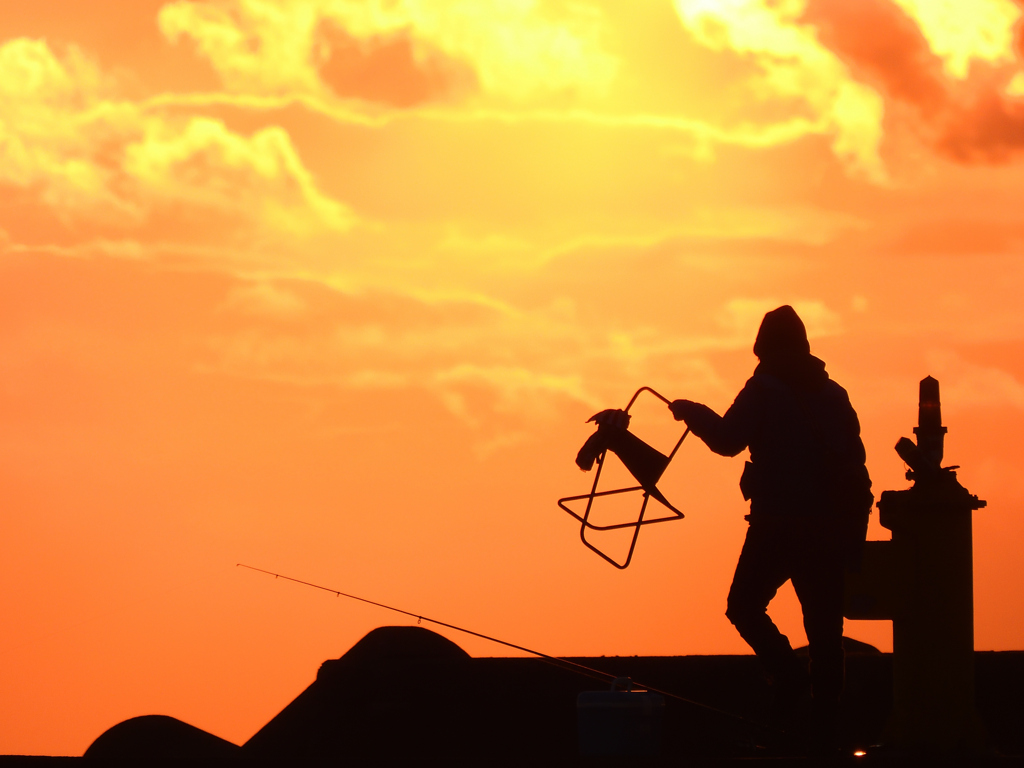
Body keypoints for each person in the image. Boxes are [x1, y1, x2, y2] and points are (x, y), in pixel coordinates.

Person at [668, 305, 872, 748]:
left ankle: (788, 675)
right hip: (828, 529)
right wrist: (853, 535)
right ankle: (824, 733)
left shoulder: (763, 389)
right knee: (825, 632)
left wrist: (692, 411)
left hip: (777, 525)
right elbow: (855, 467)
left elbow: (726, 440)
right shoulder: (834, 395)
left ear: (764, 348)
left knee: (743, 606)